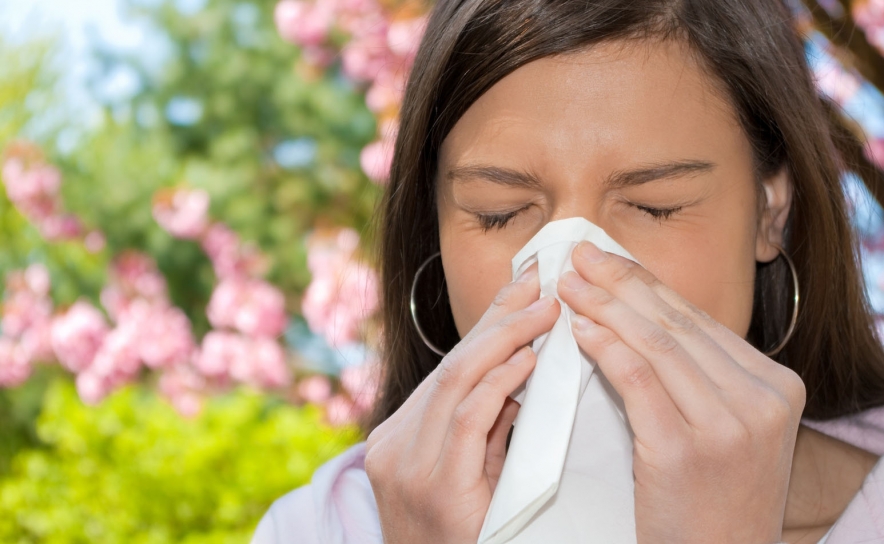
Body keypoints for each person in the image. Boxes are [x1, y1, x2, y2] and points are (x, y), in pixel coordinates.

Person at [252, 0, 884, 542]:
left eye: (653, 207)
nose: (572, 272)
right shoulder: (324, 527)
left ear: (769, 211)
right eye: (499, 214)